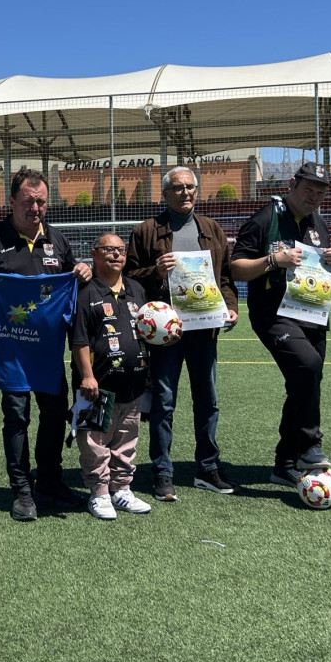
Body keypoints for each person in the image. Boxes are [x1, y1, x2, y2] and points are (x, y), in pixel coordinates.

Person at [0, 168, 92, 521]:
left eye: (41, 201)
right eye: (28, 202)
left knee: (56, 414)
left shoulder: (57, 240)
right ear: (12, 202)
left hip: (49, 351)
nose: (36, 208)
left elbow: (74, 284)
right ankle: (22, 490)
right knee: (16, 416)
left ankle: (50, 481)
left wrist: (83, 271)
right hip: (12, 349)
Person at [124, 166, 239, 500]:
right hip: (166, 333)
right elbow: (129, 277)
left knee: (208, 400)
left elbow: (226, 279)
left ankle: (208, 467)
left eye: (191, 187)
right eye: (178, 188)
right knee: (163, 400)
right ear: (165, 193)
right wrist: (154, 271)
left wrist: (230, 307)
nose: (186, 192)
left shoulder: (212, 229)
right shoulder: (146, 231)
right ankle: (162, 470)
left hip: (204, 330)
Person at [230, 161, 331, 487]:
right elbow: (236, 268)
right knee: (307, 367)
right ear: (293, 183)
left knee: (306, 381)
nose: (314, 196)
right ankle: (310, 443)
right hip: (274, 315)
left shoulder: (317, 222)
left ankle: (284, 464)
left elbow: (318, 267)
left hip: (312, 314)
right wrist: (272, 261)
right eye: (309, 189)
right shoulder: (265, 219)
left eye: (320, 192)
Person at [72, 233, 161, 519]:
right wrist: (87, 376)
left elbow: (149, 330)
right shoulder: (85, 291)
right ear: (94, 254)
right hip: (98, 388)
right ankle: (98, 493)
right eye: (109, 250)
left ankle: (121, 489)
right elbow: (79, 340)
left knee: (126, 441)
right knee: (95, 442)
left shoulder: (136, 289)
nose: (116, 255)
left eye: (120, 250)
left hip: (133, 385)